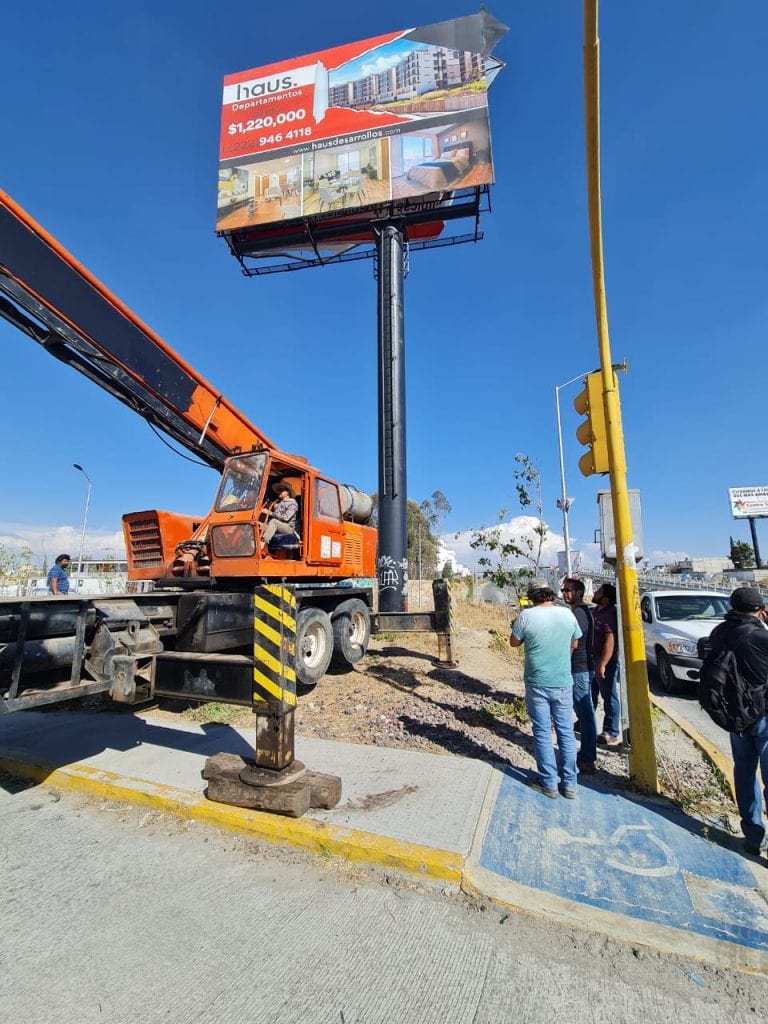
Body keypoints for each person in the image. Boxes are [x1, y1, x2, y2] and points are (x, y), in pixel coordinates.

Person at [708, 586, 768, 857]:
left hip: (735, 716)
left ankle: (753, 836)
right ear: (759, 609)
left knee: (744, 773)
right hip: (763, 715)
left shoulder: (719, 632)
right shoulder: (760, 636)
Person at [510, 578, 582, 799]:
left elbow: (514, 643)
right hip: (562, 681)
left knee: (542, 732)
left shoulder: (526, 616)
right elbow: (575, 642)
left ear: (531, 596)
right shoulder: (567, 614)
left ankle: (549, 783)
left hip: (537, 682)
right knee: (566, 733)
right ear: (550, 593)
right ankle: (570, 785)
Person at [561, 577, 598, 773]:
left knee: (585, 713)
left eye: (568, 590)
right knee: (584, 712)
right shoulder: (581, 611)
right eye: (563, 590)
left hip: (579, 668)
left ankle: (587, 757)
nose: (564, 593)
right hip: (582, 667)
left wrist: (562, 664)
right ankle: (587, 755)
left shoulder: (578, 613)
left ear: (578, 592)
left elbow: (572, 643)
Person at [592, 582, 622, 747]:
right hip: (592, 658)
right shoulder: (596, 611)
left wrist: (603, 664)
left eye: (598, 591)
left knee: (609, 696)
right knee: (591, 694)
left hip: (605, 661)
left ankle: (611, 732)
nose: (595, 592)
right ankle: (585, 724)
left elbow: (610, 641)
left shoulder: (610, 613)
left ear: (605, 598)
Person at [261, 481, 299, 552]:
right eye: (278, 490)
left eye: (281, 489)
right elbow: (271, 507)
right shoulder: (278, 504)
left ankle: (263, 543)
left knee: (273, 521)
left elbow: (285, 518)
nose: (279, 491)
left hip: (288, 528)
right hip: (277, 526)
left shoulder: (292, 504)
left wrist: (269, 513)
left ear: (287, 492)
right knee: (258, 524)